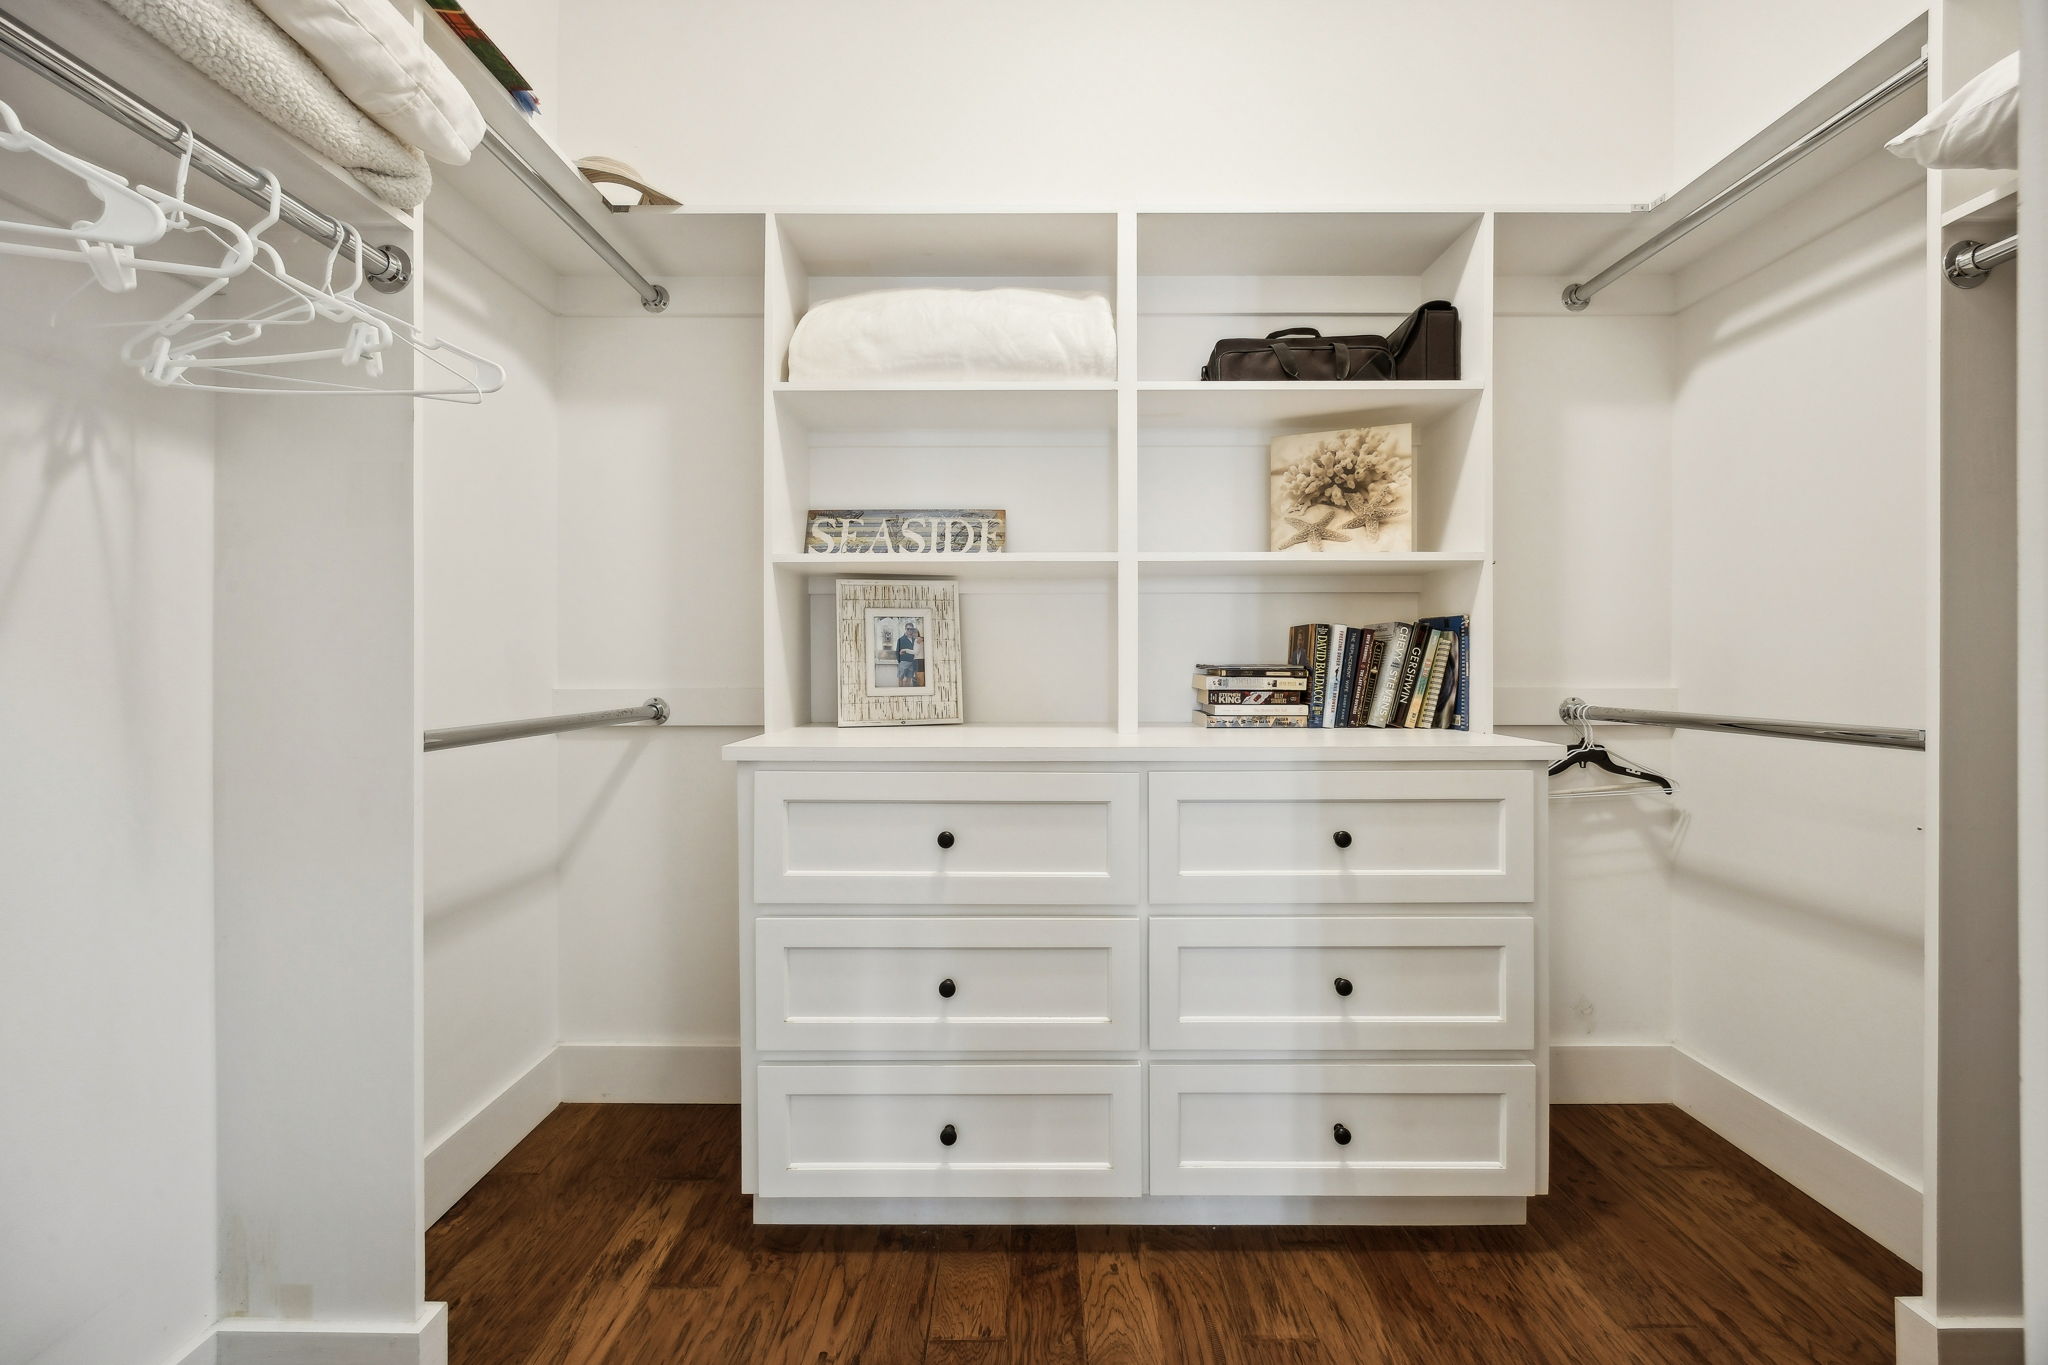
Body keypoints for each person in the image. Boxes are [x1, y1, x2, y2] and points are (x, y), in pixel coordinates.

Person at [895, 621, 922, 686]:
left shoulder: (915, 639)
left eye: (911, 629)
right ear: (905, 629)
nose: (909, 630)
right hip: (903, 662)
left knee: (909, 679)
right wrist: (900, 661)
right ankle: (900, 693)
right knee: (900, 678)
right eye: (908, 629)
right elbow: (897, 652)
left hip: (912, 662)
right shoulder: (901, 639)